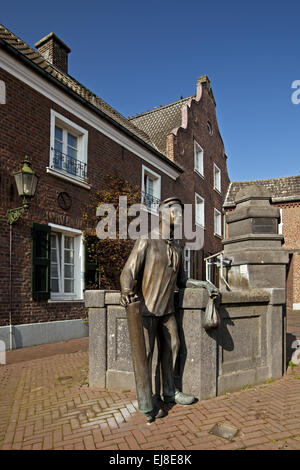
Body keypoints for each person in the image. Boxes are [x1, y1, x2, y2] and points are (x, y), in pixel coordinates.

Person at [120, 197, 218, 420]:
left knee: (174, 345)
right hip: (146, 309)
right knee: (146, 354)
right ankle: (147, 402)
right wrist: (126, 291)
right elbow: (128, 271)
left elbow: (182, 280)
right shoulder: (147, 239)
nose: (181, 217)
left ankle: (170, 392)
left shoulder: (177, 246)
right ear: (164, 213)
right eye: (177, 212)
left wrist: (203, 283)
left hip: (167, 310)